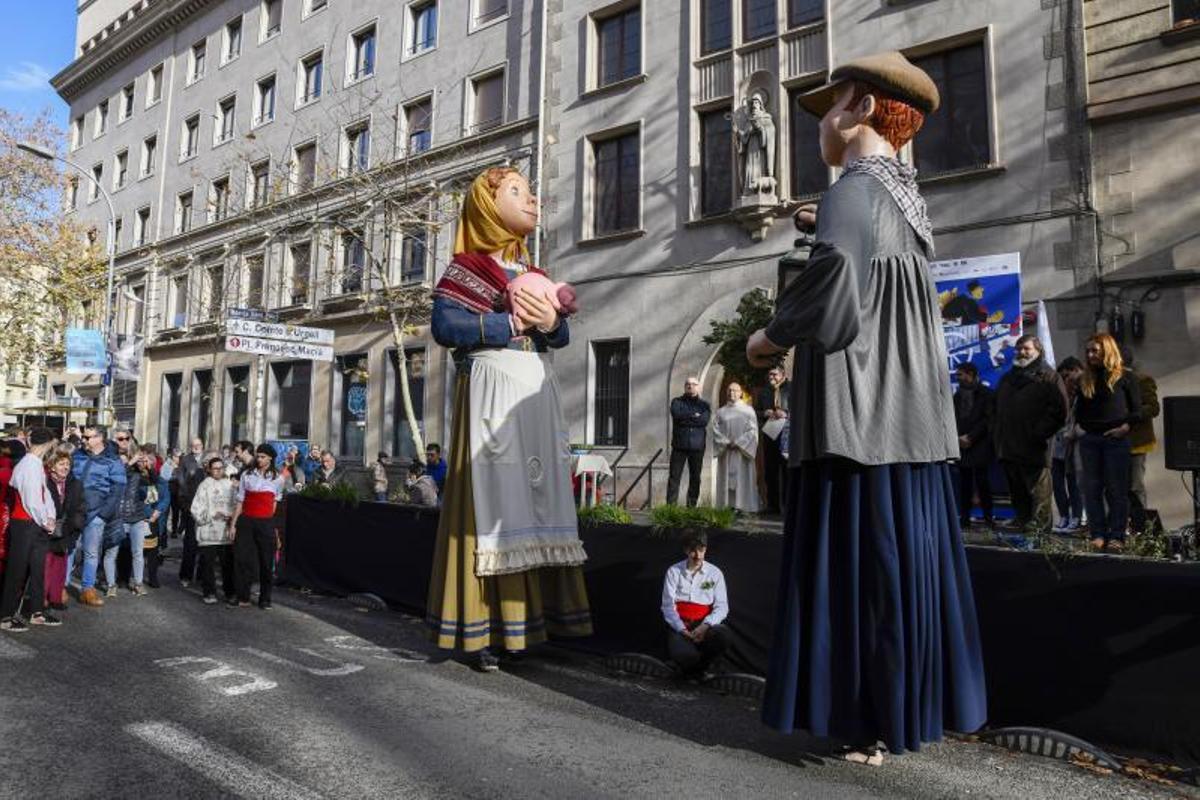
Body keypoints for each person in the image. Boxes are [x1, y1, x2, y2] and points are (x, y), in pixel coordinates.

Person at [745, 52, 987, 763]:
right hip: (910, 421)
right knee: (897, 575)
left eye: (830, 108)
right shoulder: (904, 198)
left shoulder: (856, 189)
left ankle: (861, 716)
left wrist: (769, 336)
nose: (822, 123)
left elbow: (836, 291)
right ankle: (893, 716)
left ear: (863, 108)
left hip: (858, 419)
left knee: (860, 577)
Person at [425, 166, 591, 672]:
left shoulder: (532, 269)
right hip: (490, 393)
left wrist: (549, 322)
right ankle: (481, 629)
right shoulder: (464, 270)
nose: (533, 200)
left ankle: (528, 623)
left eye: (531, 191)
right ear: (486, 205)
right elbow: (445, 325)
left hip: (533, 393)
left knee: (536, 500)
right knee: (490, 502)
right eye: (517, 192)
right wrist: (509, 321)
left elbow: (558, 338)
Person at [993, 335, 1068, 534]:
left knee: (1039, 495)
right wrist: (998, 436)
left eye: (1026, 349)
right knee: (1018, 496)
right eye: (1018, 349)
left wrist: (1038, 434)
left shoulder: (1050, 377)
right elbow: (995, 410)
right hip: (1009, 448)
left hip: (1035, 448)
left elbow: (1060, 412)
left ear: (1038, 351)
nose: (1021, 353)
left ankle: (1041, 539)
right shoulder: (1007, 379)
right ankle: (1023, 530)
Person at [1076, 334, 1142, 551]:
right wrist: (1078, 427)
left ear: (1107, 350)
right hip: (1090, 440)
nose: (1090, 355)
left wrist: (1125, 428)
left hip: (1116, 440)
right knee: (1092, 489)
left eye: (1094, 350)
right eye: (1088, 351)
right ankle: (1098, 534)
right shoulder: (1085, 379)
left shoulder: (1125, 377)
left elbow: (1138, 411)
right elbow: (1080, 409)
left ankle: (1117, 535)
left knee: (1116, 490)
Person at [0, 427, 60, 631]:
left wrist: (50, 517)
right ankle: (6, 615)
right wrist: (46, 520)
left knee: (37, 569)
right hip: (25, 523)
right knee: (17, 570)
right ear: (48, 444)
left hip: (34, 522)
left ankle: (36, 611)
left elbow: (45, 495)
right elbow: (32, 499)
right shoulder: (28, 465)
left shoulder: (34, 464)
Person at [660, 530, 731, 679]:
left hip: (704, 625)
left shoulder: (714, 573)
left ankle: (699, 669)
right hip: (681, 625)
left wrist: (705, 626)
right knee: (685, 656)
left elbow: (722, 606)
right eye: (693, 551)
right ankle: (695, 669)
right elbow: (667, 606)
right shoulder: (674, 571)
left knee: (723, 635)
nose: (698, 555)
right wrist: (682, 629)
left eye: (701, 550)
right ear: (686, 550)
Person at [69, 425, 126, 607]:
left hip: (96, 514)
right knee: (69, 550)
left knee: (91, 553)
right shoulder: (77, 455)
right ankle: (60, 586)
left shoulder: (112, 459)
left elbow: (118, 490)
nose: (84, 440)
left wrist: (102, 515)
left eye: (88, 437)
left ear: (100, 438)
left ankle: (88, 589)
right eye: (83, 437)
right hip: (73, 511)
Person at [229, 444, 285, 609]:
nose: (259, 459)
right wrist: (233, 524)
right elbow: (240, 501)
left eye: (262, 457)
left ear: (270, 459)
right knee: (242, 559)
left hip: (265, 522)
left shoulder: (278, 478)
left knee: (266, 561)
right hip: (246, 520)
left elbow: (275, 504)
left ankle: (265, 598)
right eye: (258, 456)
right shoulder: (247, 474)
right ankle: (242, 596)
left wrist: (271, 526)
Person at [107, 449, 163, 597]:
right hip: (118, 519)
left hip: (137, 519)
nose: (124, 463)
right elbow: (117, 475)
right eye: (122, 461)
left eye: (126, 460)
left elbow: (154, 481)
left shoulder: (138, 475)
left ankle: (138, 584)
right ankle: (111, 585)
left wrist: (147, 466)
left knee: (137, 553)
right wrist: (130, 462)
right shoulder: (115, 474)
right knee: (111, 553)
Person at [1121, 348, 1160, 533]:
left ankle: (1142, 527)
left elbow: (1153, 407)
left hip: (1136, 443)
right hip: (1116, 443)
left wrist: (1130, 415)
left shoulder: (1143, 380)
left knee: (1136, 486)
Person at [952, 362, 996, 528]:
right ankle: (964, 518)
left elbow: (988, 420)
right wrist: (958, 438)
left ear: (970, 375)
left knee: (983, 482)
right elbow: (953, 418)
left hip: (980, 445)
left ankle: (988, 517)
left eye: (960, 375)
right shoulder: (957, 396)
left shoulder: (986, 394)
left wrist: (971, 437)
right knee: (964, 484)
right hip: (962, 446)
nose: (958, 378)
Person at [191, 457, 237, 605]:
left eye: (221, 468)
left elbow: (237, 504)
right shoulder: (204, 485)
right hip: (209, 531)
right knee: (208, 565)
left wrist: (231, 516)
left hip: (225, 531)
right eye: (215, 468)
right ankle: (209, 592)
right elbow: (195, 508)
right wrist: (211, 514)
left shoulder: (230, 485)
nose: (218, 471)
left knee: (227, 565)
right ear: (209, 469)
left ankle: (230, 592)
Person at [44, 450, 85, 611]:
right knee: (45, 566)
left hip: (67, 530)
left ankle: (56, 598)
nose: (65, 467)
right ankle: (42, 600)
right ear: (52, 465)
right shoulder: (45, 482)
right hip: (47, 530)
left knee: (60, 567)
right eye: (61, 464)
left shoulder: (75, 483)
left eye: (68, 464)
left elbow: (82, 508)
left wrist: (76, 525)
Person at [712, 382, 760, 513]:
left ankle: (744, 506)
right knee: (726, 480)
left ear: (740, 393)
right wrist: (725, 442)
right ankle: (727, 505)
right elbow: (715, 430)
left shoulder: (748, 410)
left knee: (742, 478)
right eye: (729, 390)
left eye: (735, 391)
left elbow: (753, 431)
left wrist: (739, 442)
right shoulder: (721, 412)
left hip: (742, 452)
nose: (731, 393)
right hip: (726, 451)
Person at [1051, 357, 1086, 533]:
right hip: (1057, 446)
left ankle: (1076, 517)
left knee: (1073, 483)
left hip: (1073, 445)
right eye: (1063, 378)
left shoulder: (1081, 396)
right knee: (1057, 483)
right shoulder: (1058, 396)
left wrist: (1071, 433)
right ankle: (1063, 515)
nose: (1066, 381)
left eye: (1068, 377)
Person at [666, 377, 711, 508]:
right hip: (679, 446)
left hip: (697, 447)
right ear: (684, 387)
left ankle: (691, 508)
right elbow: (677, 415)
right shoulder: (676, 402)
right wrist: (694, 416)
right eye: (687, 384)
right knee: (674, 478)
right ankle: (670, 508)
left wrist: (687, 417)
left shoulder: (704, 405)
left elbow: (703, 421)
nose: (690, 386)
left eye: (693, 384)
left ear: (698, 387)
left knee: (695, 478)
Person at [753, 366, 791, 514]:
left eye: (774, 374)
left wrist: (786, 413)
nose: (771, 377)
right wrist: (764, 412)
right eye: (769, 374)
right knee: (770, 470)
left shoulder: (792, 388)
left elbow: (801, 407)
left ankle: (788, 505)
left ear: (782, 374)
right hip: (770, 434)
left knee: (787, 470)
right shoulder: (764, 391)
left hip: (788, 434)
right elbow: (755, 411)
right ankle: (772, 505)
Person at [176, 438, 206, 586]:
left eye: (198, 445)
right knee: (190, 542)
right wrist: (185, 503)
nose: (196, 447)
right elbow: (180, 481)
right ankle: (185, 575)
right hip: (191, 504)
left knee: (206, 544)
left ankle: (202, 575)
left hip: (207, 506)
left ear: (202, 446)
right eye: (193, 445)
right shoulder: (185, 460)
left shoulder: (208, 459)